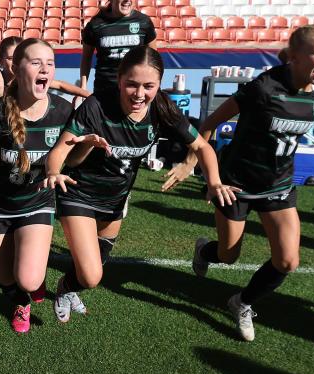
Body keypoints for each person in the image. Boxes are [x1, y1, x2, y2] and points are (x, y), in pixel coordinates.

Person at [164, 25, 314, 342]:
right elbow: (210, 123)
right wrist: (190, 163)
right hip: (236, 184)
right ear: (294, 57)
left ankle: (242, 302)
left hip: (279, 187)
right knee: (227, 255)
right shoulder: (264, 87)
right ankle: (205, 251)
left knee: (288, 260)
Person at [44, 45, 227, 323]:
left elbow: (202, 146)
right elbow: (59, 151)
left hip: (116, 200)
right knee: (92, 276)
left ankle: (70, 287)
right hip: (79, 194)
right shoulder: (97, 106)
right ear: (119, 79)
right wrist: (55, 172)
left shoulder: (163, 108)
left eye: (148, 86)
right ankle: (65, 288)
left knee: (97, 261)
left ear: (159, 84)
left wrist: (211, 181)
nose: (139, 94)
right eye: (131, 84)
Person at [0, 39, 72, 333]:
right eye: (36, 62)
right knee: (7, 281)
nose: (45, 69)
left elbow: (75, 156)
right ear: (16, 67)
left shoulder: (63, 112)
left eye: (50, 63)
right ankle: (20, 302)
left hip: (36, 203)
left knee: (29, 279)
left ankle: (28, 290)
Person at [0, 36, 90, 106]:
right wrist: (0, 89)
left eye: (20, 57)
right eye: (11, 58)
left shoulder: (28, 78)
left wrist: (89, 96)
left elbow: (60, 85)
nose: (16, 61)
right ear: (1, 61)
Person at [80, 0, 156, 96]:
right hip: (104, 90)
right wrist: (83, 87)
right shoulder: (95, 24)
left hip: (134, 92)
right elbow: (86, 58)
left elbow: (154, 58)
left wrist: (154, 86)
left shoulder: (144, 22)